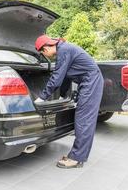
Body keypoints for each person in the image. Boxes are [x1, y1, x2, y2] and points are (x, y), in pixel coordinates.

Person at [34, 35, 104, 169]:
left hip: (91, 82)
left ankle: (76, 159)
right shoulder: (64, 49)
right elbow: (65, 76)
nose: (44, 55)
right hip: (89, 82)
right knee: (83, 119)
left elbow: (57, 77)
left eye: (42, 52)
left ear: (47, 47)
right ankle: (77, 155)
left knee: (84, 120)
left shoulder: (64, 50)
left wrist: (41, 98)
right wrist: (61, 96)